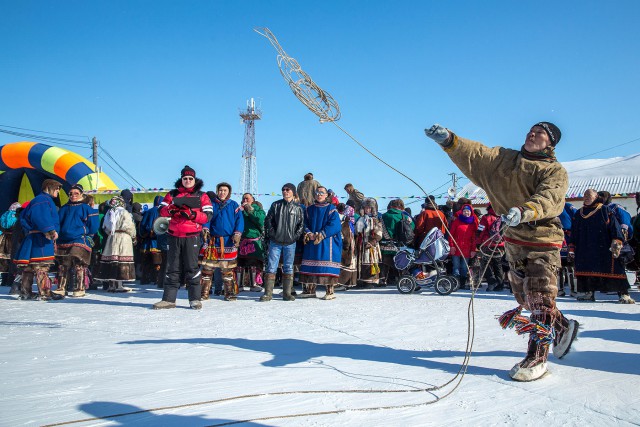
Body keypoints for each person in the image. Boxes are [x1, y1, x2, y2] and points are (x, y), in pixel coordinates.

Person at [425, 121, 579, 382]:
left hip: (543, 238)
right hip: (514, 240)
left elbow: (550, 197)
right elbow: (477, 154)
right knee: (526, 300)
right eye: (531, 129)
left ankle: (537, 356)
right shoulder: (505, 159)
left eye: (540, 132)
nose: (532, 133)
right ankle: (563, 327)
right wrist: (450, 140)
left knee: (540, 297)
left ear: (550, 142)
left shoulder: (554, 171)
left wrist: (525, 211)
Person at [153, 165, 213, 310]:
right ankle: (168, 299)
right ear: (181, 179)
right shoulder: (172, 194)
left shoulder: (201, 195)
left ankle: (195, 299)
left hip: (192, 236)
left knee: (192, 268)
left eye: (190, 178)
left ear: (194, 179)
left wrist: (193, 215)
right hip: (173, 235)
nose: (187, 181)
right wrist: (171, 209)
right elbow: (161, 210)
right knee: (172, 268)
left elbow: (208, 215)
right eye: (185, 178)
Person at [570, 189, 634, 303]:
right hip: (585, 249)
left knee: (615, 269)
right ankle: (588, 293)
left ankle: (624, 294)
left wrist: (617, 241)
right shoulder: (578, 213)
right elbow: (574, 232)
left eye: (589, 195)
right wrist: (571, 247)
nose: (586, 197)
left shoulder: (605, 210)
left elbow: (615, 227)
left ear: (596, 197)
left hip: (604, 248)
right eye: (585, 195)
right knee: (586, 270)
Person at [14, 179, 62, 300]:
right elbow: (41, 217)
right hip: (40, 238)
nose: (58, 191)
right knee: (42, 265)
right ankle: (44, 292)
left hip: (33, 237)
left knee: (29, 267)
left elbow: (24, 218)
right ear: (49, 187)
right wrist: (50, 231)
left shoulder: (37, 200)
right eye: (57, 188)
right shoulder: (42, 200)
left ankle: (26, 292)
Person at [200, 183, 244, 302]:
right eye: (220, 190)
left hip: (228, 242)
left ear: (228, 192)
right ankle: (204, 293)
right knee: (207, 269)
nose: (222, 192)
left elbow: (240, 221)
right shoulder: (211, 205)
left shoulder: (234, 205)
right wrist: (205, 229)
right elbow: (206, 219)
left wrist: (237, 234)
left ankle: (229, 293)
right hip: (213, 241)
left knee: (227, 270)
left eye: (225, 190)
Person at [54, 184, 99, 297]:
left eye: (76, 193)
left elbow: (93, 226)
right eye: (71, 193)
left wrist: (85, 231)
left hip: (79, 239)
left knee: (79, 264)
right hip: (63, 240)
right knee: (63, 265)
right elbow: (58, 223)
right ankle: (61, 288)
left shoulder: (86, 208)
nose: (73, 195)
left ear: (81, 194)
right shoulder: (64, 208)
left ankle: (80, 288)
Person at [261, 183, 304, 301]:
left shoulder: (298, 208)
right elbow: (268, 221)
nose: (285, 191)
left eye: (288, 190)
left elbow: (301, 225)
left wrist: (295, 236)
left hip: (290, 242)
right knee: (271, 267)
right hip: (276, 242)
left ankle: (287, 293)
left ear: (293, 192)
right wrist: (273, 234)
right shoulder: (276, 205)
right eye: (283, 190)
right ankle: (268, 294)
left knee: (289, 267)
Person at [299, 186, 342, 300]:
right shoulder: (309, 209)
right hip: (312, 241)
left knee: (326, 267)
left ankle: (330, 291)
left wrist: (322, 234)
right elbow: (304, 223)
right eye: (317, 192)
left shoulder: (332, 209)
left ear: (326, 195)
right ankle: (310, 290)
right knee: (310, 264)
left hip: (327, 241)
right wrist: (308, 233)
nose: (319, 194)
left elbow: (335, 225)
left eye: (322, 193)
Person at [97, 196, 137, 292]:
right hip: (124, 237)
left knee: (112, 259)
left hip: (112, 237)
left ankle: (111, 285)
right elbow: (129, 226)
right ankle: (119, 285)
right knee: (121, 260)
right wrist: (133, 236)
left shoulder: (109, 213)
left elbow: (105, 228)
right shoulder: (125, 212)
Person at [380, 199, 414, 286]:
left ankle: (383, 280)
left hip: (384, 243)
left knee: (385, 263)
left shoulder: (383, 216)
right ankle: (401, 279)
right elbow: (412, 227)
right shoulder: (404, 216)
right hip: (399, 244)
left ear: (391, 206)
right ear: (400, 206)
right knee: (400, 262)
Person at [236, 193, 266, 292]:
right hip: (241, 240)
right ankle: (239, 284)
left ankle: (253, 284)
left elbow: (261, 220)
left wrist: (250, 210)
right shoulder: (239, 209)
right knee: (240, 263)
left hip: (254, 240)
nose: (245, 200)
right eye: (244, 198)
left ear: (252, 199)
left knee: (254, 263)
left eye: (247, 198)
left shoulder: (257, 209)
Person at [354, 198, 383, 288]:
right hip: (361, 244)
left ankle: (370, 281)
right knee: (360, 261)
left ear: (373, 209)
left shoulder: (375, 220)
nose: (367, 210)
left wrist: (372, 241)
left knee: (370, 261)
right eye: (366, 208)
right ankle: (360, 280)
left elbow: (379, 233)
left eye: (369, 208)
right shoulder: (360, 219)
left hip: (371, 245)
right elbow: (356, 231)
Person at [448, 204, 478, 289]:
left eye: (468, 211)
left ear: (471, 212)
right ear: (462, 212)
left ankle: (463, 284)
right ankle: (456, 283)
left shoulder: (473, 223)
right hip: (457, 248)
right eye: (464, 211)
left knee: (464, 267)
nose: (466, 213)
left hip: (467, 249)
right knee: (456, 267)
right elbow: (451, 235)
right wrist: (452, 246)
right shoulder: (457, 221)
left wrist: (473, 250)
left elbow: (474, 238)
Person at [476, 203, 505, 291]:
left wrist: (478, 242)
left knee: (485, 264)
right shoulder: (502, 217)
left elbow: (480, 231)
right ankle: (500, 284)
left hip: (487, 244)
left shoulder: (486, 217)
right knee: (498, 265)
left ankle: (491, 281)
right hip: (499, 244)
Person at [139, 196, 164, 285]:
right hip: (157, 242)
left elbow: (142, 227)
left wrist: (145, 234)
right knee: (158, 263)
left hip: (147, 243)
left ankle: (144, 278)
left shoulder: (148, 212)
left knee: (146, 262)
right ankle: (157, 279)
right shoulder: (162, 212)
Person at [335, 203, 357, 291]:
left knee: (344, 264)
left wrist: (346, 246)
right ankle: (347, 283)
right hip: (348, 246)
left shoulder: (346, 223)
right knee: (347, 264)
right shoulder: (349, 222)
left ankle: (342, 283)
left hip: (346, 247)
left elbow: (347, 236)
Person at [0, 202, 21, 287]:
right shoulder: (17, 216)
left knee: (3, 260)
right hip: (13, 239)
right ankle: (11, 280)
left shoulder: (4, 214)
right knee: (13, 259)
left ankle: (4, 279)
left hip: (4, 238)